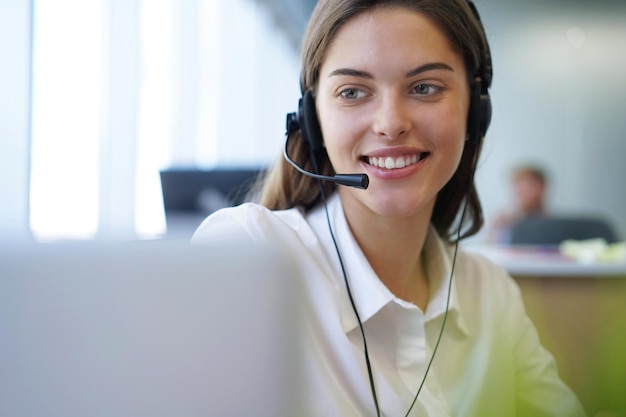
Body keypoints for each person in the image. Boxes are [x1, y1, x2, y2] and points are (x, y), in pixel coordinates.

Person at [192, 1, 587, 416]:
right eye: (352, 92)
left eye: (424, 87)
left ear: (475, 109)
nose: (390, 123)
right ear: (312, 119)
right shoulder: (247, 254)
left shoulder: (488, 292)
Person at [486, 164, 548, 244]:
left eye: (524, 183)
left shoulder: (555, 225)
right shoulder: (502, 222)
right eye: (516, 184)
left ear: (540, 186)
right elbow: (490, 249)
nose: (518, 189)